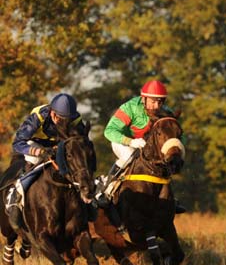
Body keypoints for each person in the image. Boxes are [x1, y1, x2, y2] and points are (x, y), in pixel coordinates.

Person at [97, 79, 185, 213]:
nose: (156, 106)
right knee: (129, 155)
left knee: (163, 161)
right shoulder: (129, 108)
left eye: (160, 102)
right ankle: (106, 190)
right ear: (143, 98)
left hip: (146, 147)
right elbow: (109, 131)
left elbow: (174, 133)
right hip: (123, 142)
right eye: (153, 101)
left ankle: (170, 198)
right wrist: (131, 142)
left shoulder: (166, 112)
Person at [4, 93, 89, 231]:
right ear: (53, 114)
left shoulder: (75, 118)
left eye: (68, 120)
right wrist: (39, 152)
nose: (66, 124)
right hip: (35, 145)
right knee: (34, 159)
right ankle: (16, 196)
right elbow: (17, 143)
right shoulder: (39, 116)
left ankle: (88, 198)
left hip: (59, 146)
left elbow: (80, 143)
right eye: (62, 120)